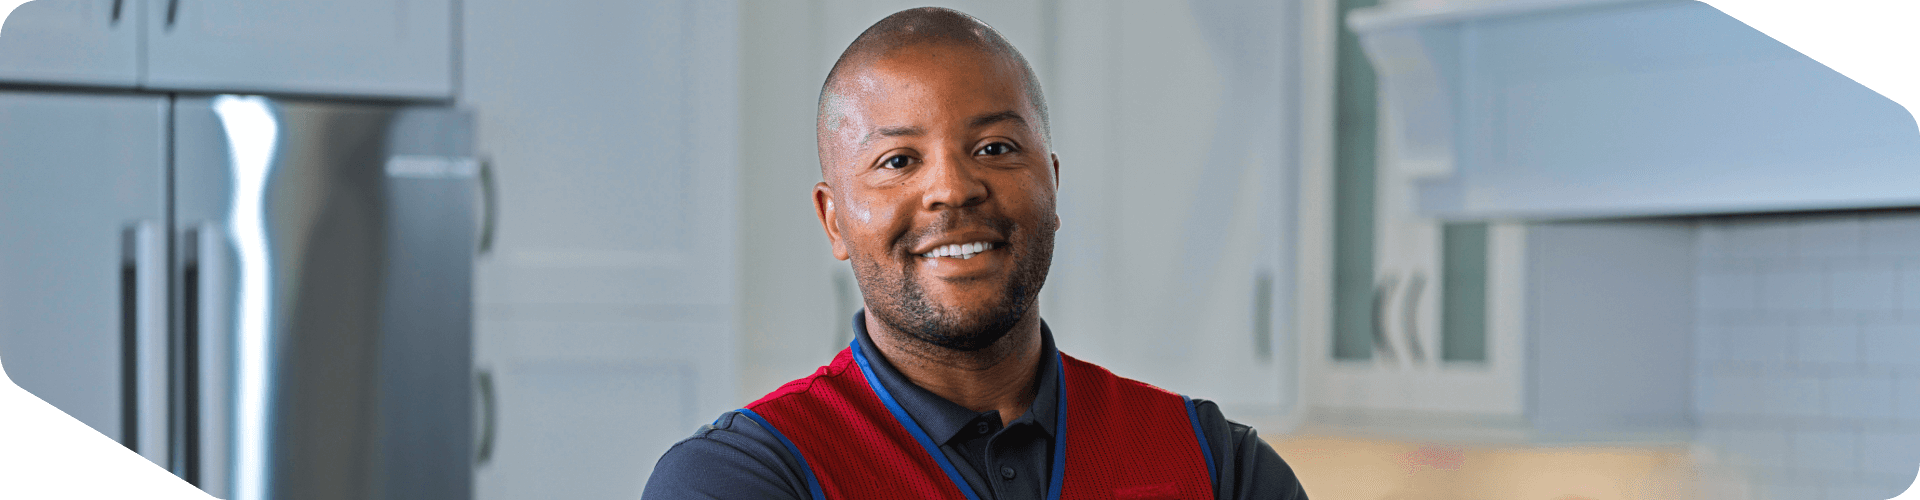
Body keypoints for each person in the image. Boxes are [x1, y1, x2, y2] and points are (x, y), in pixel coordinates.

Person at [643, 7, 1308, 500]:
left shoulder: (1216, 464)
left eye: (994, 148)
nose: (953, 190)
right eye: (898, 160)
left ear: (1051, 184)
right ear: (834, 219)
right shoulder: (741, 478)